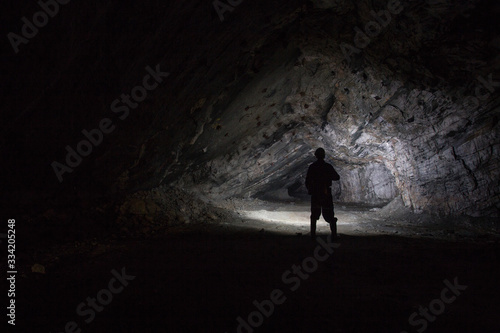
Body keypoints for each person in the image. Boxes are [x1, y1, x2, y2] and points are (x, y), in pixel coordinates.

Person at [305, 148, 340, 240]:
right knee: (329, 215)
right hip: (326, 193)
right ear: (324, 156)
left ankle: (313, 235)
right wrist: (327, 176)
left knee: (314, 215)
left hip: (316, 193)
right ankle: (334, 235)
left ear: (316, 156)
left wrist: (310, 189)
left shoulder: (312, 166)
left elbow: (307, 180)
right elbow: (337, 177)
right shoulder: (328, 166)